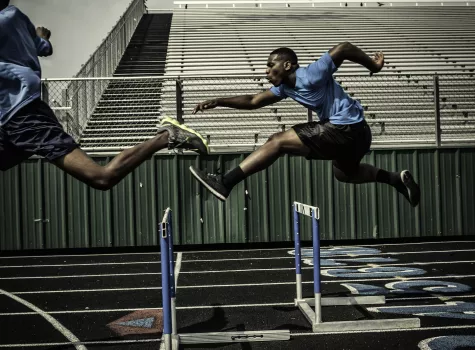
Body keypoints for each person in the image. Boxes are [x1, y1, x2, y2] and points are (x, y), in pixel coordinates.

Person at [0, 0, 208, 191]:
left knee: (101, 177)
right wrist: (42, 37)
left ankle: (167, 136)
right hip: (15, 113)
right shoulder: (16, 15)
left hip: (21, 116)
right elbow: (44, 48)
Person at [189, 42, 420, 207]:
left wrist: (373, 66)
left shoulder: (311, 74)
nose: (266, 71)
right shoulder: (285, 88)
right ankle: (395, 179)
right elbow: (253, 100)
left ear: (288, 65)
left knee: (277, 142)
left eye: (271, 65)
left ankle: (225, 182)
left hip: (344, 127)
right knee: (344, 174)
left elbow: (344, 48)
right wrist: (218, 101)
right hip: (357, 134)